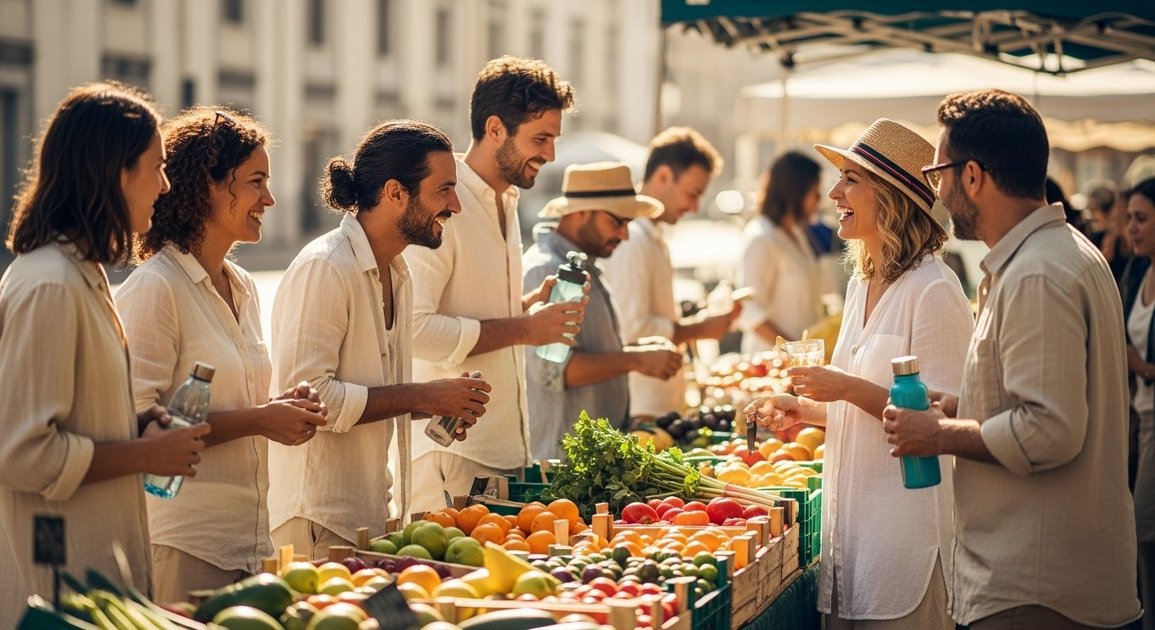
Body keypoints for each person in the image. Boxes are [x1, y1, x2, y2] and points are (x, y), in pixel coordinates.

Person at [883, 88, 1142, 628]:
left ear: (972, 175)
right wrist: (962, 406)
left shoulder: (1037, 273)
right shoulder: (1055, 255)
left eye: (938, 177)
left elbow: (1049, 430)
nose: (938, 193)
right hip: (1052, 582)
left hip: (1038, 593)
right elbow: (1048, 404)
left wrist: (937, 435)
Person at [744, 119, 973, 629]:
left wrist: (844, 386)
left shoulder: (934, 289)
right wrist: (803, 409)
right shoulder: (860, 283)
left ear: (891, 197)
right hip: (849, 540)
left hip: (903, 542)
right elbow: (860, 408)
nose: (833, 192)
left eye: (851, 179)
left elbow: (944, 417)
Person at [0, 82, 210, 625]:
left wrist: (134, 427)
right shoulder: (49, 283)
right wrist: (144, 456)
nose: (165, 186)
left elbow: (69, 420)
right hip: (58, 580)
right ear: (118, 171)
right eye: (157, 166)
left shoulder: (81, 272)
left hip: (95, 566)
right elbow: (22, 454)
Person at [116, 107, 329, 603]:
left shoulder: (245, 286)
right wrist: (260, 419)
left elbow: (233, 400)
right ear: (206, 187)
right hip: (185, 543)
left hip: (250, 542)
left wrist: (282, 408)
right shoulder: (155, 288)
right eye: (256, 181)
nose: (270, 199)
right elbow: (134, 424)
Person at [268, 120, 491, 556]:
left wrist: (439, 404)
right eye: (444, 189)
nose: (456, 206)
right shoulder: (327, 267)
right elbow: (310, 402)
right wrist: (423, 396)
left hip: (368, 514)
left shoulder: (398, 273)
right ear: (395, 193)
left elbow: (373, 396)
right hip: (317, 519)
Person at [407, 56, 581, 512]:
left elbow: (474, 312)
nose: (550, 155)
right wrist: (527, 330)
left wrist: (525, 311)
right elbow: (414, 330)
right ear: (495, 128)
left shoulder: (507, 200)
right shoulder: (444, 201)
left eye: (553, 139)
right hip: (454, 452)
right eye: (540, 139)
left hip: (503, 451)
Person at [524, 162, 684, 459]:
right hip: (564, 468)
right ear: (582, 211)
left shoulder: (583, 265)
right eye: (617, 222)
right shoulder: (554, 270)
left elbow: (579, 351)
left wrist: (636, 351)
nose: (625, 234)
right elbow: (554, 371)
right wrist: (635, 360)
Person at [602, 127, 739, 420]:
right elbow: (633, 329)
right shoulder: (633, 240)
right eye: (692, 194)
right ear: (663, 176)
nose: (694, 206)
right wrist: (701, 328)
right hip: (640, 407)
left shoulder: (650, 235)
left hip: (656, 403)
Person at [738, 152, 825, 353]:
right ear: (795, 191)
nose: (819, 202)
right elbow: (750, 312)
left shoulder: (797, 234)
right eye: (815, 193)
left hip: (803, 364)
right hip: (770, 364)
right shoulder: (761, 238)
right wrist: (795, 351)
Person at [1121, 177, 1155, 630]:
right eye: (1129, 218)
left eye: (1141, 218)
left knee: (1142, 525)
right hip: (1140, 417)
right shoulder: (1137, 271)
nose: (1131, 228)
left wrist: (1141, 367)